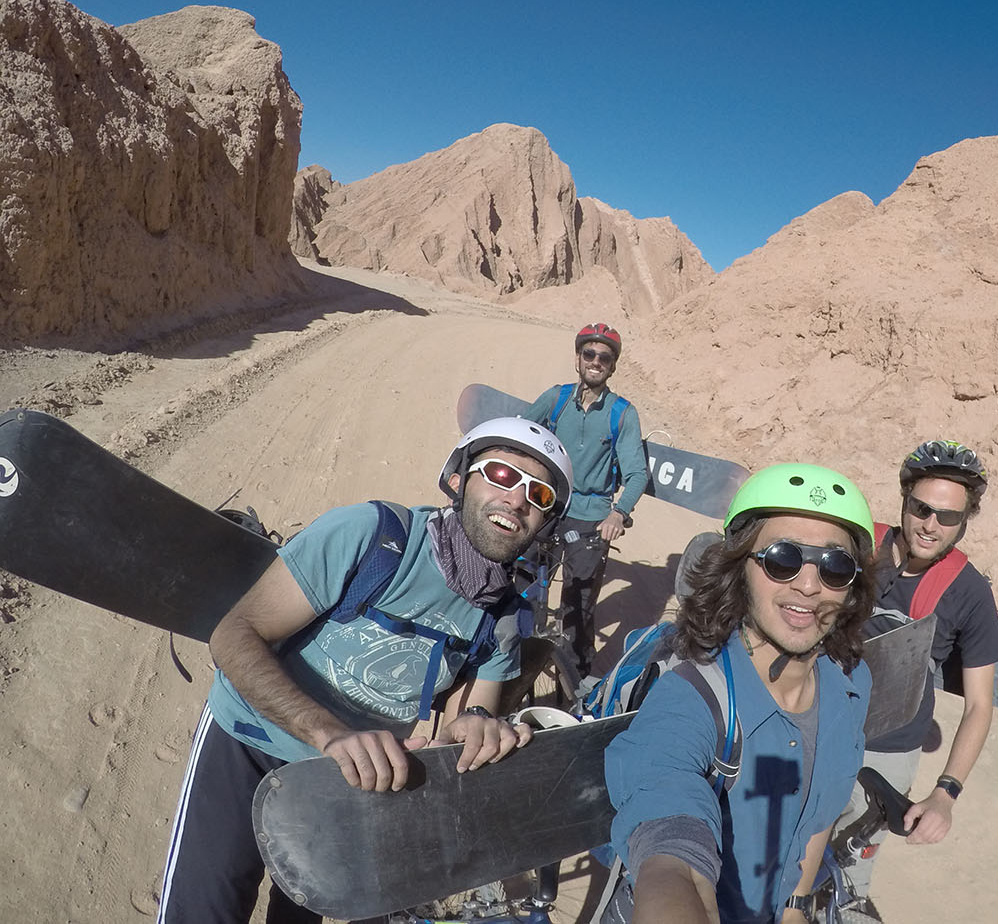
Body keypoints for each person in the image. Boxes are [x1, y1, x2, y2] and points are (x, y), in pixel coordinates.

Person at [156, 417, 573, 924]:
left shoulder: (504, 617)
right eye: (502, 475)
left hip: (346, 782)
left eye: (540, 494)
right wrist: (330, 733)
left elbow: (472, 712)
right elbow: (233, 635)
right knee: (204, 911)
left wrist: (478, 727)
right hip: (249, 743)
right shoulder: (372, 536)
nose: (517, 499)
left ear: (545, 522)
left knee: (301, 914)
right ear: (460, 479)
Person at [604, 463, 878, 924]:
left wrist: (795, 907)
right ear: (739, 567)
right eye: (782, 558)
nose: (809, 585)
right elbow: (669, 827)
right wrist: (671, 876)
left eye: (835, 566)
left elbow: (818, 815)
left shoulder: (849, 683)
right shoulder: (694, 696)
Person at [832, 440, 998, 922]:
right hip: (812, 717)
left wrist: (945, 794)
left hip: (887, 749)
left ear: (965, 520)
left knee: (847, 873)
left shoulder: (969, 592)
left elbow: (979, 705)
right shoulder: (858, 544)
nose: (931, 525)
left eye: (948, 516)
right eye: (921, 508)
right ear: (904, 499)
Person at [523, 322, 648, 677]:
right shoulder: (556, 399)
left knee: (578, 605)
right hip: (546, 505)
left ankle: (577, 682)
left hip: (591, 515)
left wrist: (618, 514)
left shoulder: (621, 413)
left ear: (613, 366)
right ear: (577, 359)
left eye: (604, 357)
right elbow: (521, 437)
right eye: (589, 354)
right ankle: (505, 661)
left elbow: (637, 473)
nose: (595, 361)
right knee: (519, 583)